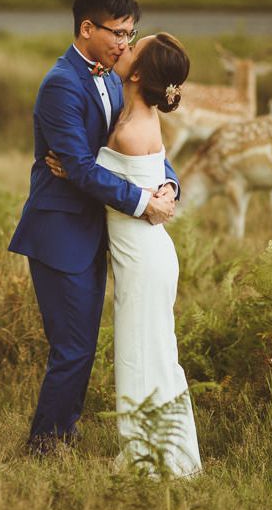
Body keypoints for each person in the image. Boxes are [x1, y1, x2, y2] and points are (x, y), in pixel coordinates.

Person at [8, 0, 179, 455]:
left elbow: (135, 144)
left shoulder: (110, 77)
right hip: (60, 232)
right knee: (73, 346)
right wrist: (144, 203)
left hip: (97, 230)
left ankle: (65, 431)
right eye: (119, 32)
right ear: (87, 28)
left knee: (82, 344)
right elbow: (80, 168)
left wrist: (167, 185)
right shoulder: (62, 83)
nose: (126, 42)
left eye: (131, 32)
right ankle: (45, 442)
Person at [46, 33, 202, 478]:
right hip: (146, 256)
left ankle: (149, 463)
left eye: (133, 46)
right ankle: (168, 454)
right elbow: (142, 175)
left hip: (144, 262)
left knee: (141, 355)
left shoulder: (132, 130)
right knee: (153, 353)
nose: (124, 46)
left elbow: (104, 183)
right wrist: (165, 186)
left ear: (135, 73)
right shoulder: (139, 117)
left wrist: (75, 170)